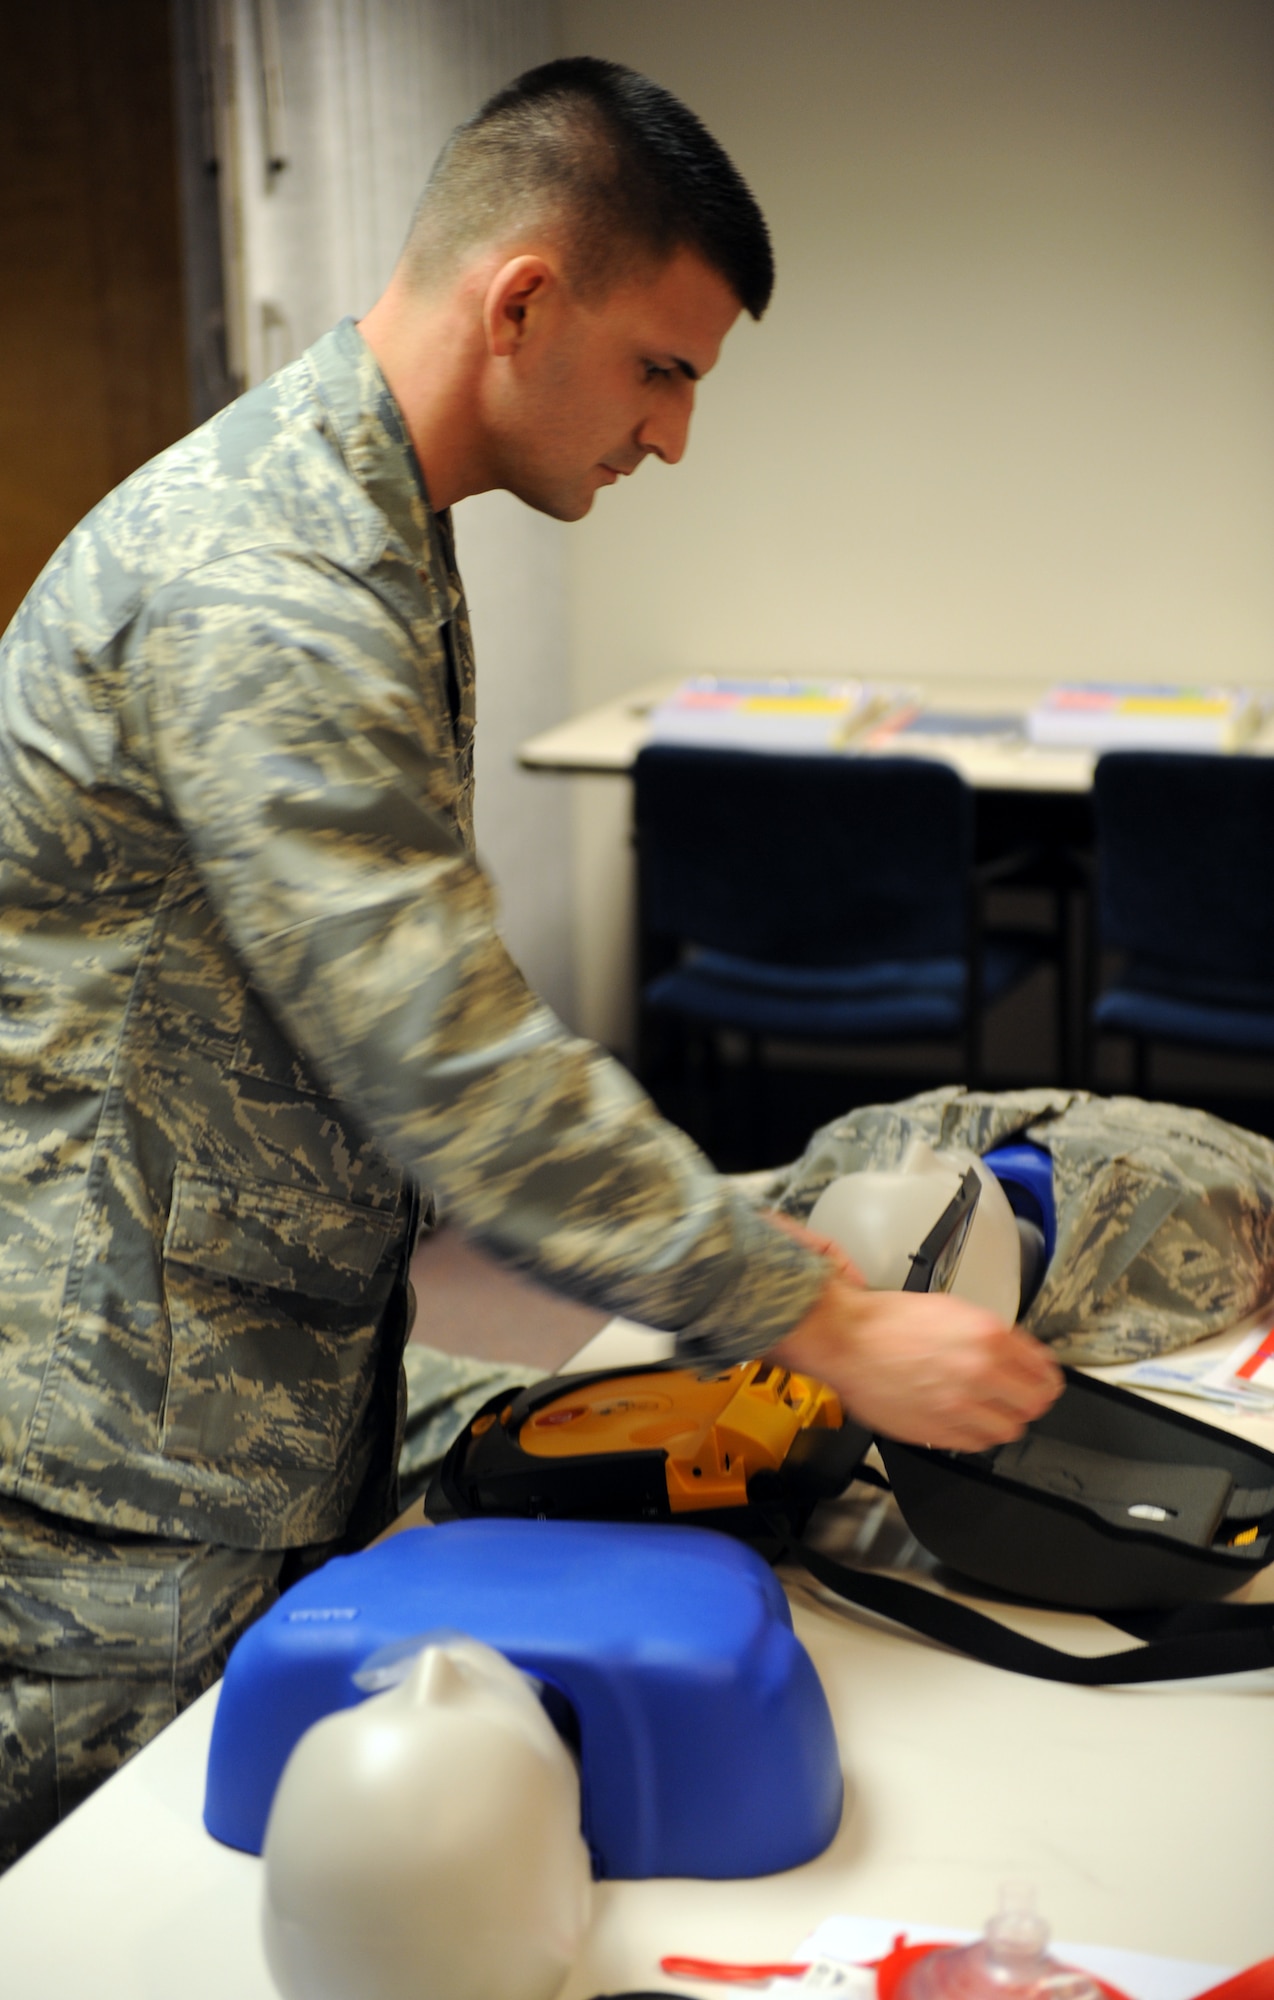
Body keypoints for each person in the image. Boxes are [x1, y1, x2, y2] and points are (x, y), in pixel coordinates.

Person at [0, 56, 1060, 1867]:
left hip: (243, 1376)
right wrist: (829, 1326)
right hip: (128, 1458)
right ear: (520, 302)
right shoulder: (271, 582)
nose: (671, 437)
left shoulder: (365, 518)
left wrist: (729, 1256)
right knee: (142, 1908)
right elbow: (444, 1051)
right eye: (663, 368)